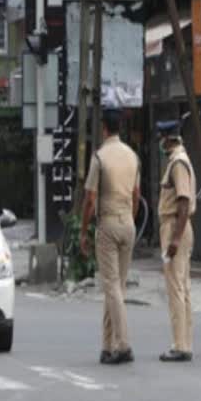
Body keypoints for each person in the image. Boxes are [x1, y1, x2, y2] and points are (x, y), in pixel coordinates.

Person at [79, 108, 141, 365]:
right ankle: (107, 344)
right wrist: (131, 218)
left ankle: (123, 344)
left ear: (104, 128)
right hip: (128, 222)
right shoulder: (132, 156)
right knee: (116, 287)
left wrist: (84, 231)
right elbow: (137, 194)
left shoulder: (100, 157)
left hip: (107, 225)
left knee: (112, 286)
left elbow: (90, 199)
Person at [156, 120, 197, 362]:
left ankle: (180, 345)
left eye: (162, 137)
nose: (161, 141)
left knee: (175, 288)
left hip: (174, 227)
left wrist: (175, 238)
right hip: (177, 227)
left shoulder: (178, 163)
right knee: (182, 287)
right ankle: (185, 342)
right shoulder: (178, 160)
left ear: (170, 138)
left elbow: (182, 201)